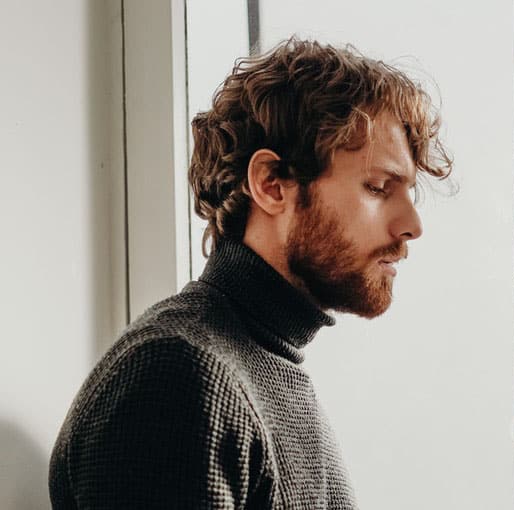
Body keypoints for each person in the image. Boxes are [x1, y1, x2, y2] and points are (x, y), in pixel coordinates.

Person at [49, 38, 452, 508]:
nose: (412, 226)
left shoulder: (268, 368)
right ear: (271, 184)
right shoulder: (177, 375)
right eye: (379, 188)